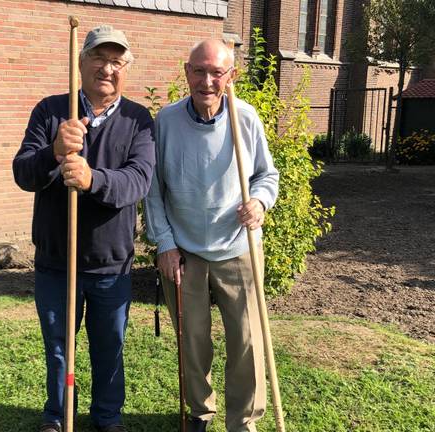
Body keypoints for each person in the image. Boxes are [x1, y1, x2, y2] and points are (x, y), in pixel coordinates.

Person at [13, 25, 155, 432]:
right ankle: (58, 416)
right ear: (80, 62)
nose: (107, 68)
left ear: (126, 68)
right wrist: (54, 152)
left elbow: (138, 180)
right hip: (57, 262)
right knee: (59, 349)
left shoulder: (138, 120)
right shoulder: (51, 111)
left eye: (117, 61)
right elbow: (23, 172)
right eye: (98, 57)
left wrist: (93, 180)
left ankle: (107, 418)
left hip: (111, 265)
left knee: (110, 348)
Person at [144, 39, 279, 432]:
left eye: (216, 72)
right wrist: (165, 244)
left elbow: (266, 175)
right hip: (184, 251)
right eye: (199, 71)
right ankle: (200, 413)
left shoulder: (246, 117)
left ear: (231, 76)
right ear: (186, 72)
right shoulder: (165, 121)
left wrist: (259, 202)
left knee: (248, 342)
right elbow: (153, 190)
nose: (207, 81)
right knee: (193, 341)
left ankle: (243, 421)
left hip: (239, 248)